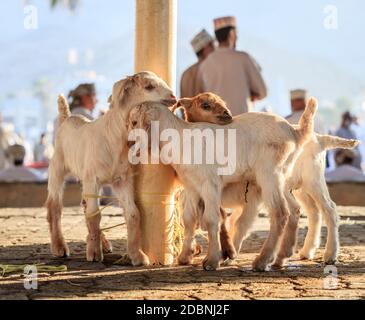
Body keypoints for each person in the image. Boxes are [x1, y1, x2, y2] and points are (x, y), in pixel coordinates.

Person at [197, 16, 267, 115]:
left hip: (217, 126)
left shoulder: (204, 65)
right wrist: (252, 95)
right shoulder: (243, 58)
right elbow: (263, 92)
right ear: (231, 34)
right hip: (242, 124)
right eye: (236, 33)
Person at [180, 29, 215, 98]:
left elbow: (182, 104)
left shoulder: (185, 74)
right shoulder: (210, 70)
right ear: (206, 48)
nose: (215, 49)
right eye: (213, 45)